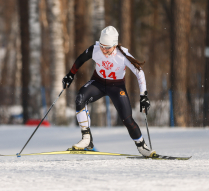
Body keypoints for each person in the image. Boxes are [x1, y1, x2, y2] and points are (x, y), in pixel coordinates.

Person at [62, 26, 155, 157]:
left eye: (108, 47)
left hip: (116, 87)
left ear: (115, 45)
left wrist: (143, 96)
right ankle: (87, 139)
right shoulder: (95, 50)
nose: (104, 50)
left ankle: (142, 146)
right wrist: (70, 75)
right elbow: (80, 59)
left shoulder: (123, 55)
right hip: (98, 82)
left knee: (127, 119)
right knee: (80, 98)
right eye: (102, 46)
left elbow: (139, 72)